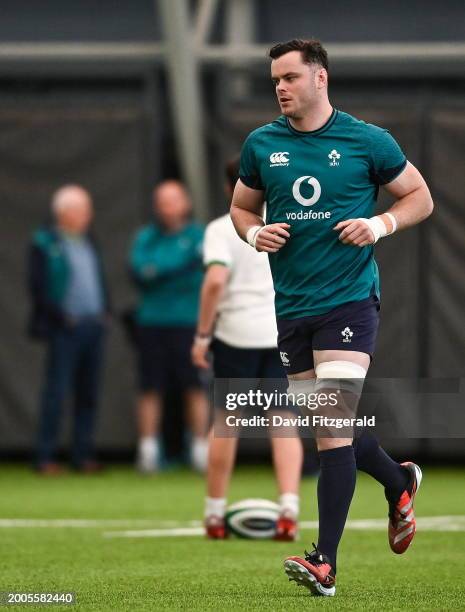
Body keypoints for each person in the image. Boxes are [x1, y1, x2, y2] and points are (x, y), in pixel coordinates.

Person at [230, 38, 433, 596]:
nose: (280, 87)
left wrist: (379, 225)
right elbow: (241, 206)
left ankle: (326, 562)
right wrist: (253, 232)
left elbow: (419, 197)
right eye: (275, 78)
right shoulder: (261, 144)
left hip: (348, 300)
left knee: (332, 428)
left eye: (291, 77)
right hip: (292, 306)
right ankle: (398, 482)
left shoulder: (369, 140)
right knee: (329, 425)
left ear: (321, 79)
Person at [192, 156, 303, 540]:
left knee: (227, 423)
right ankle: (289, 510)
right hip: (281, 335)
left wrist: (203, 336)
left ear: (231, 189)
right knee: (284, 422)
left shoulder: (221, 229)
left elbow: (213, 282)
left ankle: (213, 514)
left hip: (235, 336)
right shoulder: (288, 223)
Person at [28, 184, 109, 474]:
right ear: (64, 212)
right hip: (65, 329)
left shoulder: (88, 241)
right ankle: (45, 456)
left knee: (88, 395)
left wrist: (104, 314)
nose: (88, 215)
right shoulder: (45, 243)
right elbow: (39, 288)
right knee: (57, 393)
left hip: (92, 326)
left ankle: (82, 454)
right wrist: (62, 318)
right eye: (82, 209)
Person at [130, 180, 209, 473]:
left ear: (185, 203)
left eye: (173, 200)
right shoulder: (146, 237)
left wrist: (162, 270)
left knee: (194, 386)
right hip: (152, 323)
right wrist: (180, 265)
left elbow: (201, 270)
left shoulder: (199, 235)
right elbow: (141, 272)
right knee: (150, 386)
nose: (167, 207)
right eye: (162, 201)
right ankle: (148, 450)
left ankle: (200, 448)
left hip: (189, 323)